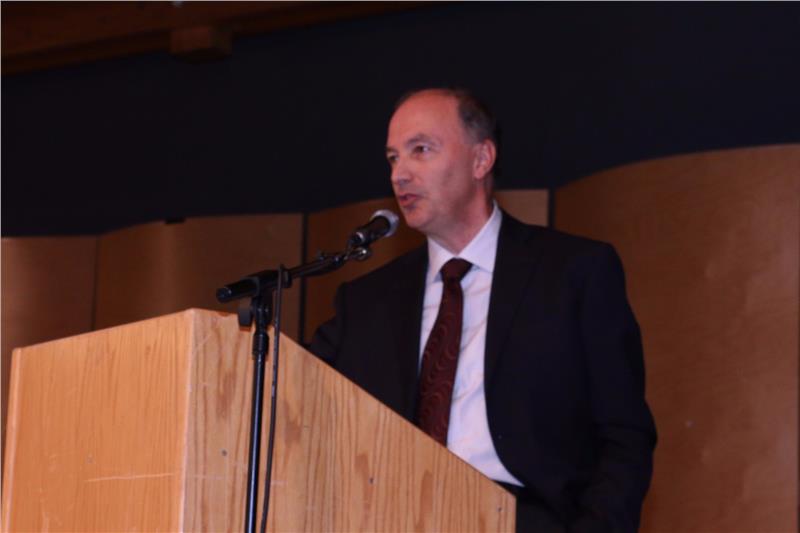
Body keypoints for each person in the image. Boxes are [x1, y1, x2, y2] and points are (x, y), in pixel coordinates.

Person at [311, 88, 656, 533]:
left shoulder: (572, 273)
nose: (400, 174)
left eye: (421, 150)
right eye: (393, 158)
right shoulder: (367, 301)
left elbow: (623, 436)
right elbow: (294, 388)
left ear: (481, 159)